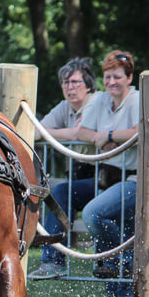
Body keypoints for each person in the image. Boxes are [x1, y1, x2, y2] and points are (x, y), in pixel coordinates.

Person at [28, 57, 101, 280]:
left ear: (88, 85)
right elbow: (36, 131)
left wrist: (64, 134)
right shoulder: (64, 107)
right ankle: (53, 261)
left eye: (75, 82)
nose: (70, 87)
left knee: (61, 191)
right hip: (81, 173)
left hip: (107, 174)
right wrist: (69, 134)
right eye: (66, 82)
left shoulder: (98, 102)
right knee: (60, 192)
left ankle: (54, 261)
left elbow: (80, 133)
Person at [77, 50, 140, 297]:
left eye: (117, 77)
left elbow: (142, 130)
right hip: (108, 178)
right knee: (123, 231)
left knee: (93, 214)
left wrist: (111, 135)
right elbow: (82, 131)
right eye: (107, 77)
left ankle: (119, 261)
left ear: (129, 78)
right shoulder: (102, 100)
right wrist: (99, 138)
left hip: (134, 179)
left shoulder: (138, 99)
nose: (111, 82)